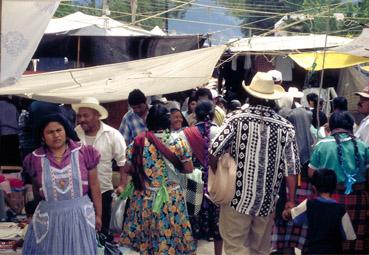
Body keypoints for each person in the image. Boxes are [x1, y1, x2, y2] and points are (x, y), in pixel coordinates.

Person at [210, 72, 300, 255]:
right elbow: (292, 168)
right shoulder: (285, 127)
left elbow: (214, 149)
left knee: (234, 247)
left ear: (249, 95)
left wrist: (219, 175)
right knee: (260, 249)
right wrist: (290, 200)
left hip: (236, 197)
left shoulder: (236, 119)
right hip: (266, 202)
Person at [120, 104, 196, 254]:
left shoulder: (138, 143)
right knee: (172, 236)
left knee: (147, 238)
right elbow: (189, 169)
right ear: (166, 121)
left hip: (145, 198)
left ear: (148, 122)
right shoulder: (177, 141)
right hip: (171, 199)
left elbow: (128, 169)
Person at [22, 114, 102, 254]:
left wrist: (98, 215)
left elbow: (95, 186)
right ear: (43, 136)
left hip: (80, 217)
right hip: (49, 219)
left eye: (59, 130)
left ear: (66, 131)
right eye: (50, 132)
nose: (56, 135)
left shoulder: (85, 153)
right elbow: (36, 190)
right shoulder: (34, 159)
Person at [308, 111, 369, 253]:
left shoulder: (322, 145)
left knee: (329, 238)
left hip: (330, 198)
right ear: (350, 126)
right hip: (357, 198)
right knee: (354, 239)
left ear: (332, 126)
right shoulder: (362, 145)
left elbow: (312, 173)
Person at [72, 97, 127, 237]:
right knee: (81, 232)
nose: (81, 119)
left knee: (102, 233)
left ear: (97, 115)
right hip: (79, 193)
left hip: (103, 191)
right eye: (79, 116)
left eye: (86, 115)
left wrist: (122, 184)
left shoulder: (112, 135)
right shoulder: (74, 134)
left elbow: (123, 161)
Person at [273, 87, 315, 253]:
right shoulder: (308, 131)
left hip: (288, 185)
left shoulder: (285, 123)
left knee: (284, 223)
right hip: (300, 183)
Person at [283, 169, 356, 254]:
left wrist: (286, 212)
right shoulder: (340, 209)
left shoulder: (308, 204)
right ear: (335, 187)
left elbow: (293, 216)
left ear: (314, 187)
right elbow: (349, 235)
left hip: (314, 251)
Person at [182, 101, 222, 255]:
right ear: (213, 115)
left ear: (194, 115)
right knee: (217, 225)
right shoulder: (220, 132)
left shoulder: (185, 134)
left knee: (194, 223)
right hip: (216, 182)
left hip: (193, 183)